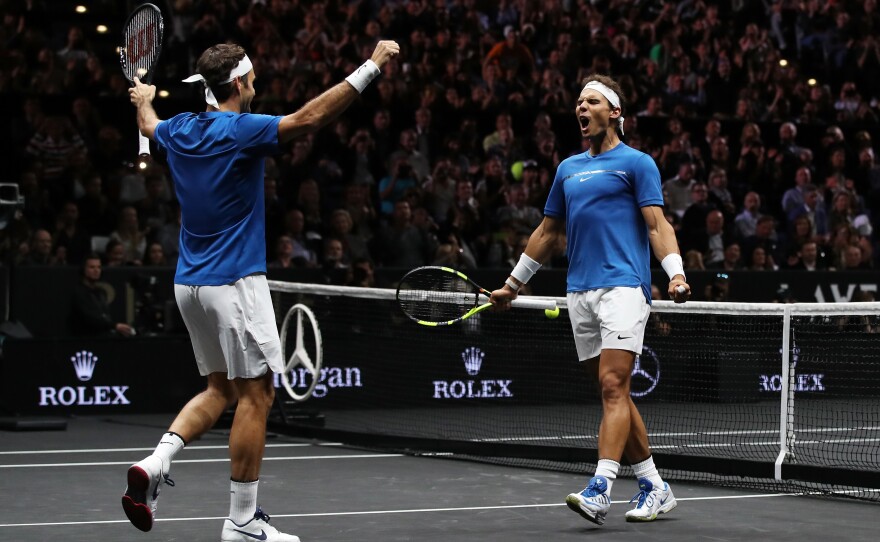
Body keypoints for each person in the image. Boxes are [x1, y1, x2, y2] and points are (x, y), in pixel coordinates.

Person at [124, 40, 399, 542]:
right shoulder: (241, 130)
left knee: (219, 390)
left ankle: (157, 460)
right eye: (252, 79)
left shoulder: (178, 129)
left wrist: (143, 100)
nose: (256, 85)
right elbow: (311, 119)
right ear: (238, 83)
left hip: (189, 285)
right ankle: (243, 520)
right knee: (258, 394)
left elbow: (149, 125)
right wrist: (372, 66)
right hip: (235, 284)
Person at [490, 74, 690, 526]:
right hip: (579, 292)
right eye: (579, 102)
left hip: (624, 286)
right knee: (611, 391)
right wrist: (513, 284)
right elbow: (547, 233)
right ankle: (655, 486)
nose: (581, 108)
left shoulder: (637, 163)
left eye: (592, 101)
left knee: (614, 385)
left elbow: (657, 225)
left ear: (614, 112)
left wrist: (675, 274)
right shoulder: (567, 169)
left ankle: (600, 489)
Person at [70, 254, 136, 337]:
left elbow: (104, 316)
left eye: (98, 267)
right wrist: (115, 326)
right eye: (92, 267)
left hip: (103, 337)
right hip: (85, 338)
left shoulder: (101, 292)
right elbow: (90, 318)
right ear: (84, 270)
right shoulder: (79, 293)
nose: (96, 270)